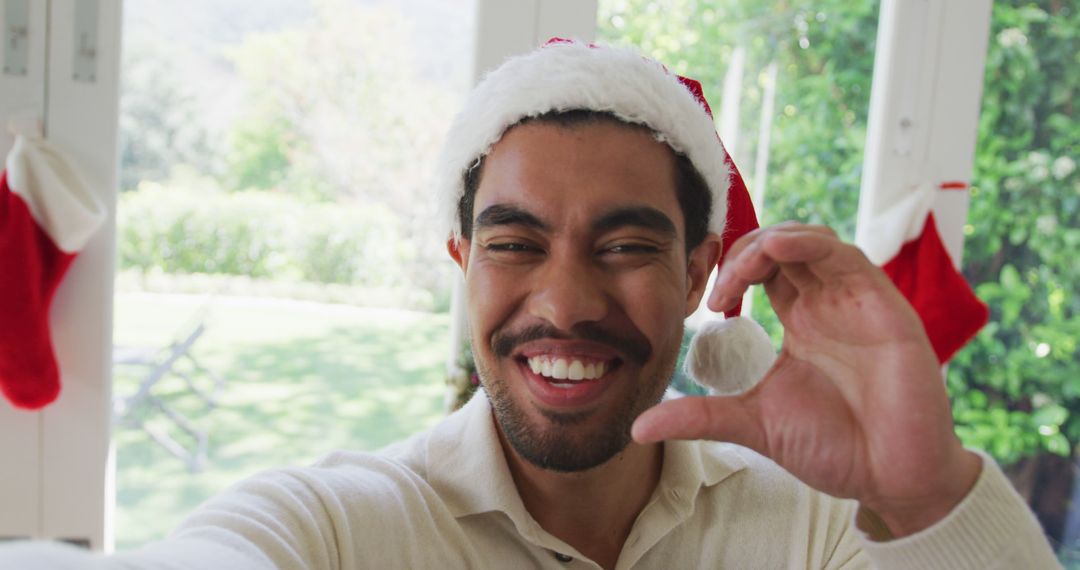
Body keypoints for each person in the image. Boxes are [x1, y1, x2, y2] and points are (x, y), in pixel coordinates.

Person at [0, 40, 1059, 569]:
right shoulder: (331, 526)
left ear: (701, 273)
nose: (565, 299)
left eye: (627, 245)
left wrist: (926, 495)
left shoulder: (830, 530)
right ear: (463, 263)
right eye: (516, 244)